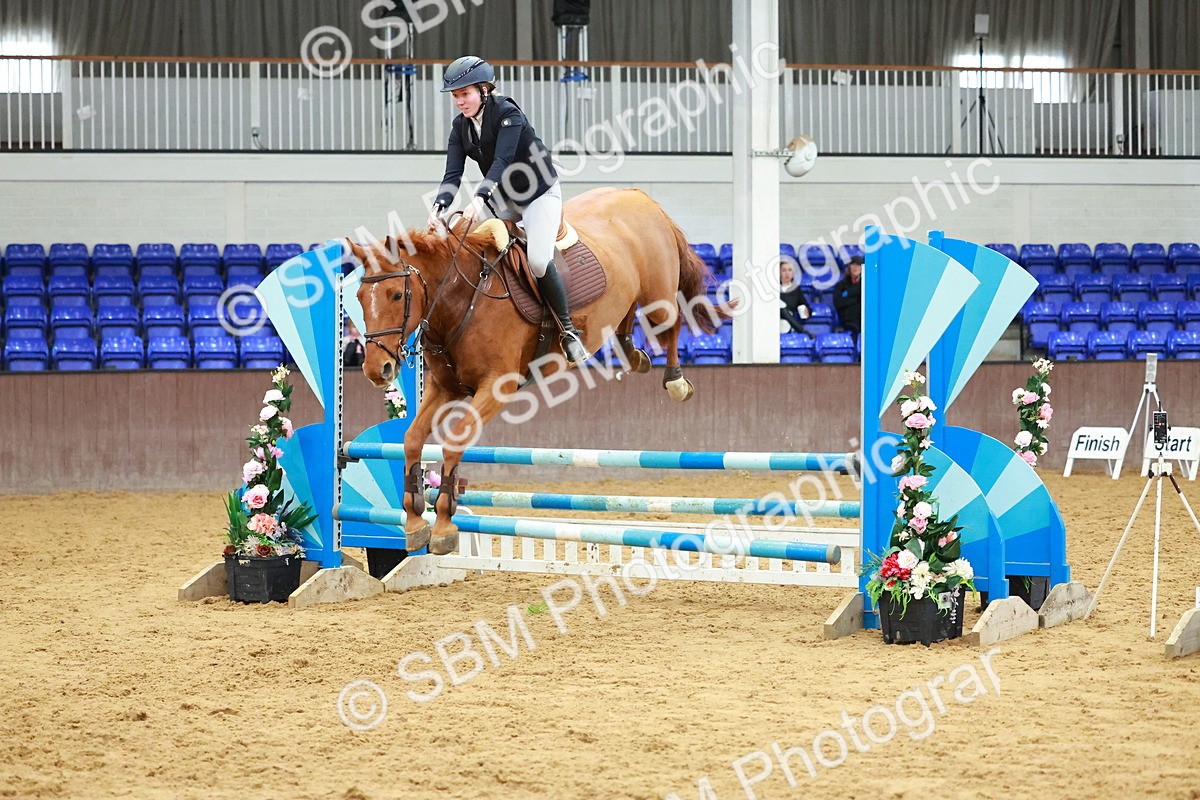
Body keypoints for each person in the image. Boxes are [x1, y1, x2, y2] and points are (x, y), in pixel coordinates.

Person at [427, 56, 587, 366]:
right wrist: (439, 207)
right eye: (456, 96)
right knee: (461, 241)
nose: (460, 102)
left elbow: (501, 161)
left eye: (465, 94)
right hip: (501, 198)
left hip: (538, 193)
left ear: (484, 90)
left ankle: (568, 330)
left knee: (539, 261)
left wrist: (477, 200)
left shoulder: (508, 114)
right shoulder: (460, 127)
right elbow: (452, 174)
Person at [779, 260, 811, 334]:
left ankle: (801, 330)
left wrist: (807, 311)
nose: (787, 273)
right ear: (779, 273)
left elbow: (805, 305)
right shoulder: (774, 287)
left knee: (784, 323)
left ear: (793, 273)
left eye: (789, 270)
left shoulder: (796, 289)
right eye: (784, 270)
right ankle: (802, 331)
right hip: (773, 318)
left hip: (787, 321)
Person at [833, 255, 863, 335]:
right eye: (853, 264)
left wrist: (848, 295)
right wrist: (856, 298)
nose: (855, 267)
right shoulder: (841, 285)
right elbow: (838, 303)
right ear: (849, 267)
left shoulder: (865, 285)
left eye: (858, 265)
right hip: (848, 319)